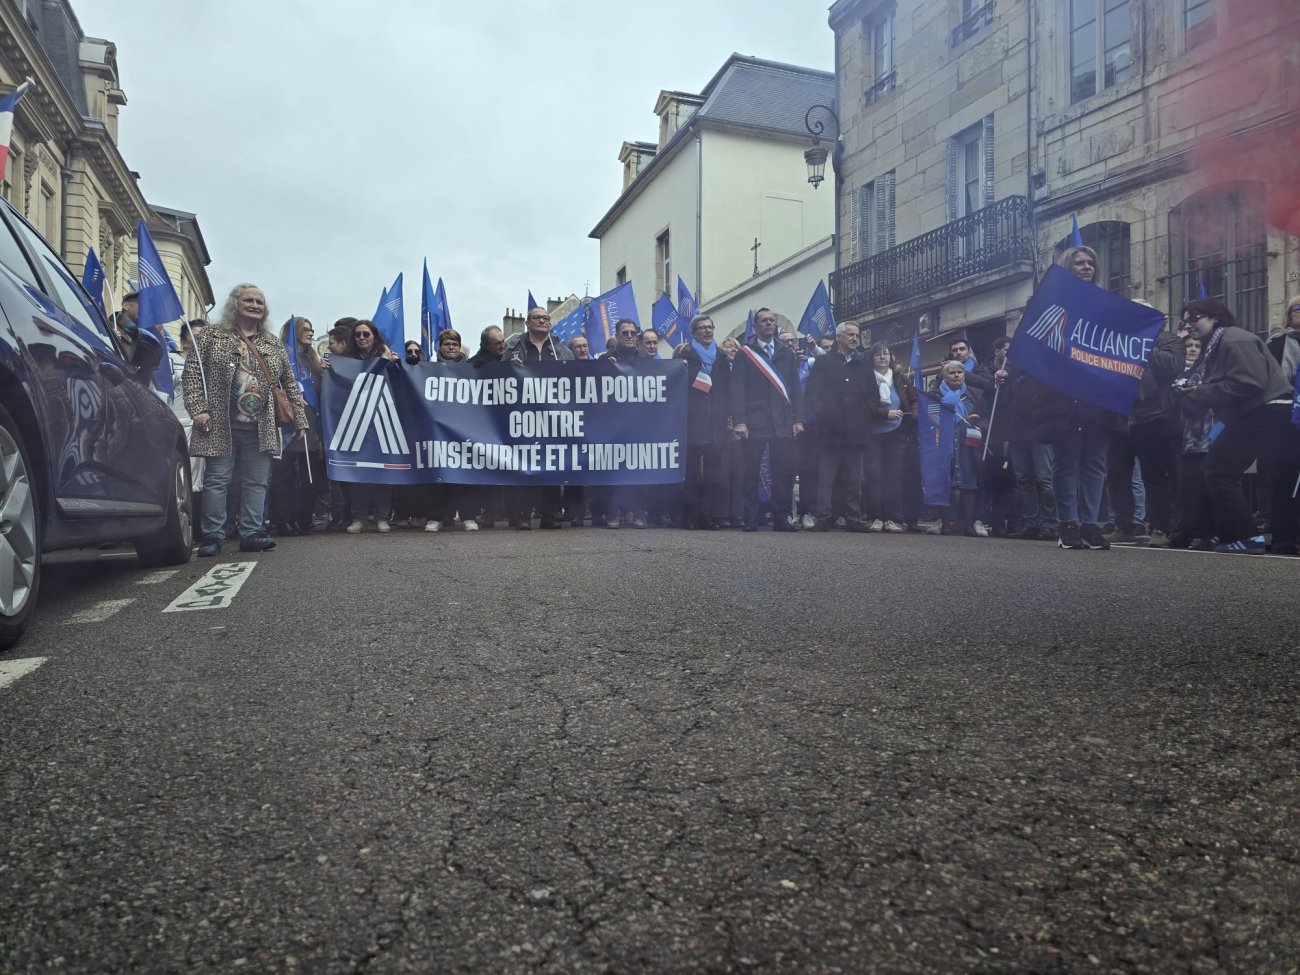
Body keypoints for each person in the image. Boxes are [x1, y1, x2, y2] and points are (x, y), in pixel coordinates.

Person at [183, 283, 308, 556]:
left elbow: (289, 382)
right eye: (248, 300)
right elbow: (192, 372)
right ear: (235, 305)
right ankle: (213, 536)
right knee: (218, 480)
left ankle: (252, 533)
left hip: (260, 427)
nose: (255, 305)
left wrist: (299, 419)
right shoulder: (211, 336)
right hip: (220, 424)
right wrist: (198, 409)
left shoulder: (272, 342)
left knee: (257, 481)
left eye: (259, 302)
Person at [1176, 297, 1292, 554]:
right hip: (1251, 413)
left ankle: (1246, 536)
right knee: (1211, 470)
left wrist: (1201, 392)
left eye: (1194, 318)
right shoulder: (1217, 344)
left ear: (1215, 317)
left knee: (1219, 472)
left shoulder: (1233, 340)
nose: (1189, 326)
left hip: (1263, 412)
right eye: (1184, 322)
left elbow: (1250, 382)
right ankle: (1216, 534)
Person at [1103, 302, 1185, 547]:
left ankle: (1160, 527)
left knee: (1154, 476)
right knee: (1117, 475)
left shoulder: (1168, 340)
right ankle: (1124, 526)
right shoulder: (1116, 341)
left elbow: (1172, 366)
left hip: (1154, 417)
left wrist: (1142, 341)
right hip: (1121, 416)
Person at [731, 308, 805, 532]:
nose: (769, 323)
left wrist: (798, 420)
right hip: (755, 420)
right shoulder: (745, 353)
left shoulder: (786, 353)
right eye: (763, 321)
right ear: (755, 326)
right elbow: (738, 389)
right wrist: (740, 421)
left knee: (783, 472)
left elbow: (795, 388)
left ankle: (782, 518)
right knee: (751, 471)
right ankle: (751, 518)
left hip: (782, 421)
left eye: (772, 320)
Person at [505, 308, 572, 528]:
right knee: (524, 465)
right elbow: (497, 375)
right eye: (537, 318)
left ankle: (550, 515)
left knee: (551, 465)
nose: (542, 321)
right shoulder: (513, 347)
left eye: (546, 318)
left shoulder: (562, 350)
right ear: (527, 323)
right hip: (523, 414)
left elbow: (575, 379)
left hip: (553, 417)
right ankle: (522, 515)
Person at [804, 322, 871, 531]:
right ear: (839, 338)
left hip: (856, 432)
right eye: (850, 334)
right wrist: (824, 413)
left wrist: (865, 414)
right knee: (826, 478)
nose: (854, 338)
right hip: (830, 431)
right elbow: (812, 393)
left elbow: (873, 394)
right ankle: (823, 517)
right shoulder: (824, 362)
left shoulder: (863, 363)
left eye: (857, 335)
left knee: (854, 479)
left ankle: (853, 517)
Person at [270, 316, 322, 536]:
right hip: (286, 418)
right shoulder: (280, 355)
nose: (311, 333)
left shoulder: (313, 360)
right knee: (284, 472)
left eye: (312, 329)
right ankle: (283, 519)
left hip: (310, 418)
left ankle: (304, 518)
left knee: (308, 471)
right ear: (295, 331)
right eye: (306, 329)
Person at [343, 319, 396, 533]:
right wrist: (328, 367)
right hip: (357, 421)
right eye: (358, 334)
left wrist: (391, 361)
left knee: (383, 471)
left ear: (374, 336)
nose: (362, 338)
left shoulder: (388, 358)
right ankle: (359, 518)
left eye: (366, 334)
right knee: (358, 472)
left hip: (382, 418)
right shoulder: (346, 361)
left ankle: (382, 517)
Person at [674, 315, 725, 529]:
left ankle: (707, 516)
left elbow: (728, 389)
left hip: (716, 423)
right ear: (693, 332)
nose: (707, 331)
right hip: (692, 422)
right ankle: (690, 516)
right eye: (702, 328)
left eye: (710, 327)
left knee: (713, 475)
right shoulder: (684, 355)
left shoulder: (721, 356)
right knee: (690, 473)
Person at [862, 341, 917, 532]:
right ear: (871, 359)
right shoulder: (866, 379)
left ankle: (893, 518)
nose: (883, 357)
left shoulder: (900, 378)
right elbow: (862, 406)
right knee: (874, 476)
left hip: (897, 433)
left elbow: (914, 400)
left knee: (893, 476)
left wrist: (911, 417)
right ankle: (876, 517)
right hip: (872, 434)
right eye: (878, 354)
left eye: (886, 353)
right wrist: (885, 414)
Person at [1265, 295, 1300, 555]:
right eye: (1296, 308)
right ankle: (1284, 536)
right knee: (1284, 477)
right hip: (1285, 418)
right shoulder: (1276, 343)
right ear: (1288, 314)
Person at [936, 360, 987, 535]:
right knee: (945, 484)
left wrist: (979, 424)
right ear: (945, 376)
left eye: (959, 372)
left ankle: (969, 525)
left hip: (969, 445)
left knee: (969, 483)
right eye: (952, 373)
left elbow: (985, 417)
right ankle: (945, 523)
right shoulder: (936, 395)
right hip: (944, 444)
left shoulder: (975, 395)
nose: (956, 375)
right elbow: (931, 417)